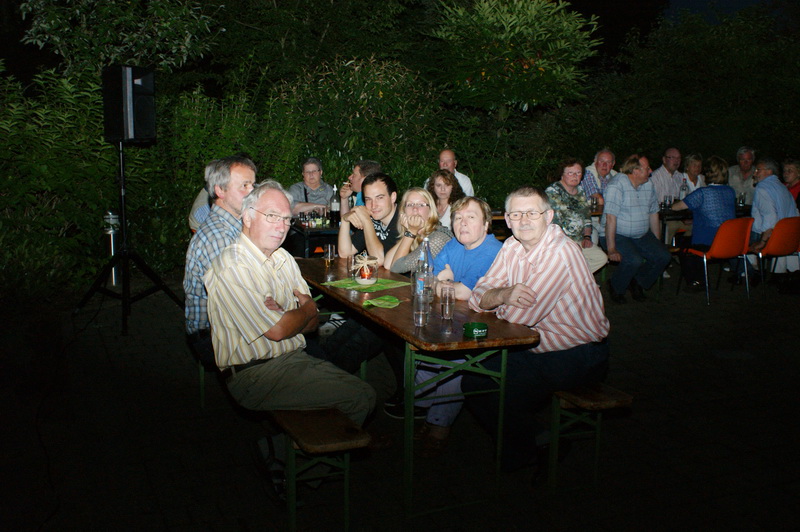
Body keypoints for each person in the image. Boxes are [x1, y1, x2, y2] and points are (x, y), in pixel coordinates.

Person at [460, 186, 610, 474]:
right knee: (474, 381)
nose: (524, 220)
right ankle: (540, 441)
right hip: (535, 344)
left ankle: (521, 455)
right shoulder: (512, 246)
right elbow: (478, 296)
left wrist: (496, 299)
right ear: (507, 219)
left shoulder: (560, 253)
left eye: (532, 213)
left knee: (502, 390)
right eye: (516, 214)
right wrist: (504, 294)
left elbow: (518, 318)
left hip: (580, 353)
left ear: (549, 216)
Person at [204, 180, 376, 424]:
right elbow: (279, 330)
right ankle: (308, 447)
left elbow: (312, 324)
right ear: (248, 217)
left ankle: (293, 443)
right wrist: (306, 308)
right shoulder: (233, 265)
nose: (282, 226)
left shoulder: (283, 258)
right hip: (255, 374)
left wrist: (293, 315)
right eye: (272, 216)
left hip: (294, 358)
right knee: (359, 397)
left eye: (286, 219)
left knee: (363, 390)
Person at [411, 197, 503, 456]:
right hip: (453, 320)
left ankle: (439, 425)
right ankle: (429, 410)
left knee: (454, 360)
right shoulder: (453, 244)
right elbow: (427, 279)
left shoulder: (493, 251)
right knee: (421, 354)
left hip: (489, 330)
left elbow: (465, 292)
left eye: (471, 217)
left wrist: (444, 283)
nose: (463, 223)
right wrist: (445, 283)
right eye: (458, 218)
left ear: (486, 224)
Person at [184, 155, 256, 367]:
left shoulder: (234, 225)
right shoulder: (219, 237)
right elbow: (242, 305)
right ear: (220, 191)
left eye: (253, 185)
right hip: (212, 336)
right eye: (244, 186)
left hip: (229, 323)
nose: (252, 192)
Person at [602, 154, 671, 303]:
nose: (651, 171)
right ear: (635, 171)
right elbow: (610, 218)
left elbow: (653, 213)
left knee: (663, 256)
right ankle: (616, 286)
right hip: (617, 233)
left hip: (641, 234)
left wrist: (657, 241)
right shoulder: (616, 186)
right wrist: (611, 248)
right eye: (647, 168)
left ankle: (638, 281)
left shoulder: (648, 184)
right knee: (634, 260)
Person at [670, 156, 736, 290]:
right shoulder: (730, 191)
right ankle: (700, 276)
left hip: (707, 242)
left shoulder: (703, 193)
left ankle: (696, 281)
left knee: (682, 244)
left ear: (708, 173)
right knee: (688, 239)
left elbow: (676, 207)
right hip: (728, 242)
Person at [545, 157, 608, 273]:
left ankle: (572, 278)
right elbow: (555, 223)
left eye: (578, 173)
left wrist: (587, 237)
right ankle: (571, 278)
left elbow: (586, 216)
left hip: (579, 239)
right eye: (570, 173)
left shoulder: (580, 191)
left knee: (601, 258)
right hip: (559, 241)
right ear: (562, 174)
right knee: (574, 259)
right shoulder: (553, 191)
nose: (575, 176)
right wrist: (570, 244)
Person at [337, 172, 401, 266]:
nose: (373, 205)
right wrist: (344, 220)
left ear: (393, 197)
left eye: (379, 198)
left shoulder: (403, 221)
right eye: (368, 199)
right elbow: (345, 253)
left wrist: (366, 221)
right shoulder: (372, 217)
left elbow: (378, 260)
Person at [384, 187, 452, 274]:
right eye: (410, 205)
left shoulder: (439, 237)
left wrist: (411, 232)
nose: (415, 209)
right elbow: (388, 265)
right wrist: (409, 232)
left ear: (430, 211)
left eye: (421, 205)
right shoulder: (416, 232)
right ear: (403, 212)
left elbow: (396, 268)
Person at [749, 158, 799, 255]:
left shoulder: (762, 188)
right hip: (787, 236)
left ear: (769, 171)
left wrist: (762, 242)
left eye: (758, 170)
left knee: (734, 239)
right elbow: (796, 214)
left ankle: (748, 264)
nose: (754, 174)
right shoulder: (783, 187)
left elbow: (770, 218)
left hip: (767, 236)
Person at [651, 147, 691, 246]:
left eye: (678, 158)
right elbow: (654, 204)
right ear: (664, 160)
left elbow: (687, 199)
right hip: (662, 219)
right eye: (673, 158)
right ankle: (664, 252)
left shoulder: (680, 177)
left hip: (678, 217)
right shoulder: (655, 177)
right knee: (670, 227)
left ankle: (685, 252)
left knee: (695, 227)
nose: (676, 161)